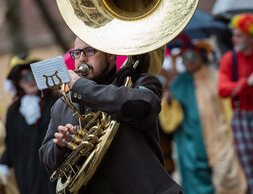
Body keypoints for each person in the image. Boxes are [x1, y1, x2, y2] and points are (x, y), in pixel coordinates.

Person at [38, 37, 182, 194]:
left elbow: (144, 107)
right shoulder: (61, 105)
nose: (82, 59)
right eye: (76, 53)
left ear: (110, 54)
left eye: (90, 51)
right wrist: (61, 145)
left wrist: (81, 88)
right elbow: (46, 160)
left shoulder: (137, 82)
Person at [170, 40, 247, 194]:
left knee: (226, 181)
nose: (190, 60)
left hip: (219, 140)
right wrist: (168, 101)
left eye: (193, 56)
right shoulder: (176, 85)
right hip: (190, 147)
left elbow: (228, 109)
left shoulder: (216, 77)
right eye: (185, 57)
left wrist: (231, 135)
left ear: (201, 56)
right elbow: (169, 123)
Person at [0, 53, 57, 194]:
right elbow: (11, 144)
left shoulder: (57, 102)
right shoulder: (13, 111)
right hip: (27, 176)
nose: (30, 81)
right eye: (24, 78)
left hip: (54, 173)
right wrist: (3, 165)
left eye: (33, 76)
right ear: (17, 83)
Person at [218, 13, 253, 194]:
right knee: (250, 171)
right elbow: (223, 89)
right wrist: (245, 82)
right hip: (241, 119)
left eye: (239, 35)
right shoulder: (229, 59)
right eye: (233, 34)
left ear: (251, 37)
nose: (233, 39)